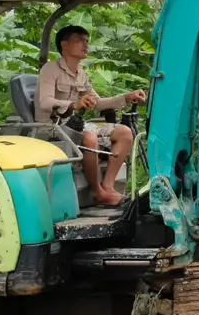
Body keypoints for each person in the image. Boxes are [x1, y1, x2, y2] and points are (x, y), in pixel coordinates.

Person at [35, 25, 146, 207]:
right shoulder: (50, 69)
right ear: (64, 44)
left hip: (74, 125)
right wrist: (74, 104)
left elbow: (97, 103)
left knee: (124, 132)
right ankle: (97, 192)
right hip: (51, 127)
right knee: (89, 136)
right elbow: (44, 102)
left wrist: (126, 97)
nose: (86, 44)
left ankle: (108, 187)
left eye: (87, 41)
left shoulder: (82, 75)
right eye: (80, 40)